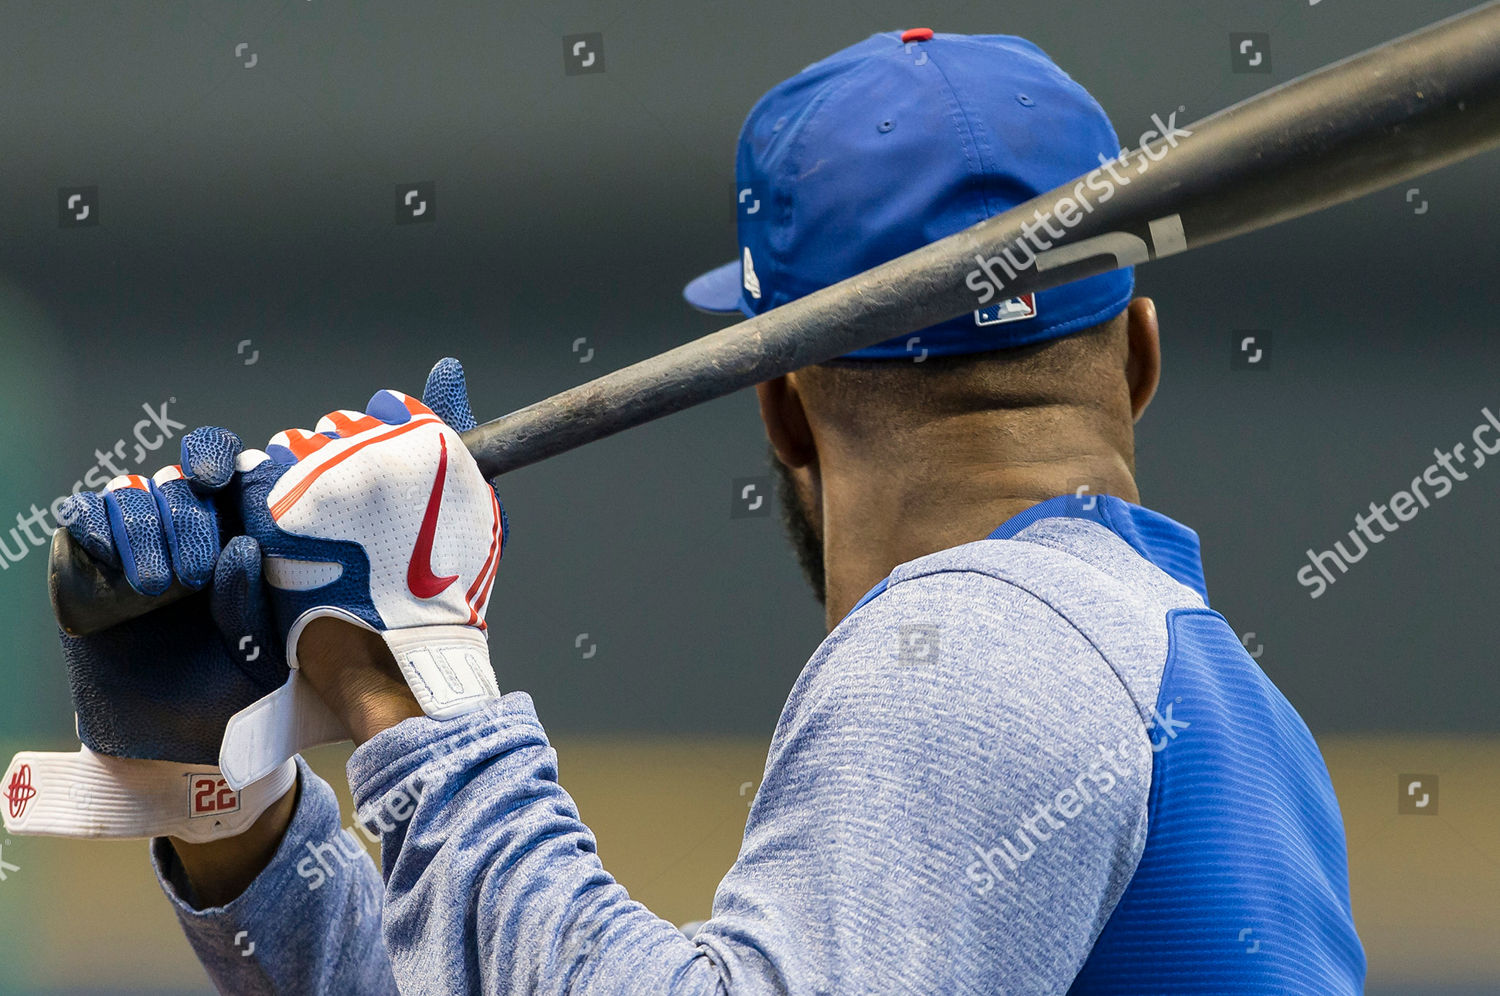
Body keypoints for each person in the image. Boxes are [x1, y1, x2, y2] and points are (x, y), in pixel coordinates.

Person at [3, 28, 1365, 994]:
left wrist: (417, 687)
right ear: (1139, 357)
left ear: (778, 406)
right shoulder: (1190, 680)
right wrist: (232, 818)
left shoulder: (974, 648)